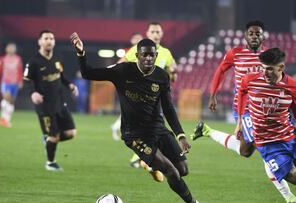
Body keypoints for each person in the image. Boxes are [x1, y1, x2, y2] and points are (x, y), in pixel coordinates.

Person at [71, 33, 198, 203]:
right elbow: (88, 73)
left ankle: (151, 164)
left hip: (158, 129)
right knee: (170, 171)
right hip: (135, 134)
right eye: (144, 54)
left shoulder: (162, 76)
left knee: (183, 170)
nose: (148, 58)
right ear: (137, 55)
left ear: (156, 55)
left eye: (151, 54)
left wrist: (180, 135)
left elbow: (168, 108)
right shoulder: (122, 71)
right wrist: (81, 53)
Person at [192, 21, 296, 203]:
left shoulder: (269, 57)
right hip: (246, 109)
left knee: (245, 151)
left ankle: (207, 131)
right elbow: (220, 71)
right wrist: (213, 94)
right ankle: (290, 198)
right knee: (265, 147)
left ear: (263, 36)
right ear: (245, 36)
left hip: (267, 109)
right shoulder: (235, 53)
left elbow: (280, 79)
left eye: (258, 33)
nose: (254, 36)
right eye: (251, 33)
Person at [235, 48, 296, 202]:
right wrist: (239, 121)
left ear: (281, 67)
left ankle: (283, 166)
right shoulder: (249, 80)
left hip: (290, 138)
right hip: (266, 142)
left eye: (270, 69)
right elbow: (241, 93)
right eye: (263, 68)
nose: (265, 74)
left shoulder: (293, 87)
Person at [111, 22, 177, 173]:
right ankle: (141, 157)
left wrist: (172, 73)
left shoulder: (166, 53)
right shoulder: (137, 49)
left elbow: (172, 75)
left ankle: (141, 158)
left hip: (156, 95)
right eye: (152, 31)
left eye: (158, 31)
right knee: (146, 128)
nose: (155, 34)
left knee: (153, 128)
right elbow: (120, 65)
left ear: (162, 34)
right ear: (147, 33)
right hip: (139, 96)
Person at [24, 30, 78, 171]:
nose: (49, 41)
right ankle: (50, 163)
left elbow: (61, 75)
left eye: (52, 38)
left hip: (60, 103)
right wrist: (33, 93)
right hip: (45, 107)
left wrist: (70, 85)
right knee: (53, 135)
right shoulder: (34, 61)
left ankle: (48, 141)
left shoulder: (57, 57)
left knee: (71, 133)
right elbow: (27, 80)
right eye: (46, 38)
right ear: (40, 42)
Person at [0, 42, 23, 128]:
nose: (11, 49)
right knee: (6, 98)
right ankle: (3, 118)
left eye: (13, 48)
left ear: (15, 49)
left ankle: (7, 119)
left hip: (15, 83)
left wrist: (20, 81)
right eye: (10, 48)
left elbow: (20, 71)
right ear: (6, 49)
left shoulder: (18, 59)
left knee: (11, 102)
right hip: (5, 82)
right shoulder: (2, 59)